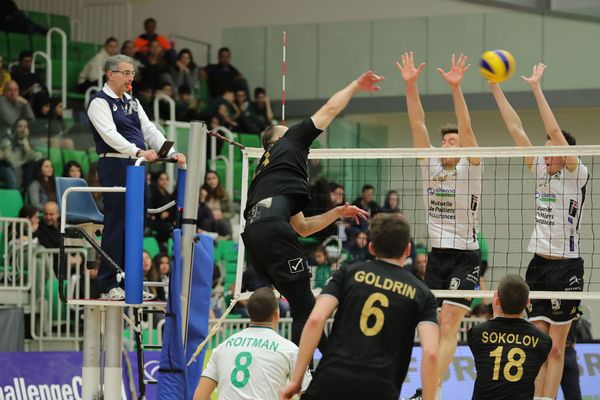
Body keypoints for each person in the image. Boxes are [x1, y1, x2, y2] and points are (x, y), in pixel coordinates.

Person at [241, 70, 382, 348]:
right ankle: (305, 374)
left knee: (301, 303)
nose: (294, 132)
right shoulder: (289, 142)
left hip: (255, 235)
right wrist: (355, 85)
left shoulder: (268, 171)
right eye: (287, 131)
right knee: (306, 307)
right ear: (277, 140)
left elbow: (303, 228)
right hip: (272, 231)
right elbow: (330, 109)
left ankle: (321, 365)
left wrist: (336, 213)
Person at [488, 63, 588, 400]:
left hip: (566, 267)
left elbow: (555, 132)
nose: (545, 154)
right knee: (536, 346)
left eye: (551, 150)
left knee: (557, 349)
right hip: (538, 266)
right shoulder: (540, 172)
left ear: (565, 153)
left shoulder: (577, 173)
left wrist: (536, 89)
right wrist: (495, 88)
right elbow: (515, 128)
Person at [281, 213, 439, 400]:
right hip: (380, 388)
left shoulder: (348, 272)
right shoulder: (423, 293)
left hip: (331, 380)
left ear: (371, 247)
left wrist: (296, 380)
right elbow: (430, 353)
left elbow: (315, 319)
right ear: (407, 249)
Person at [398, 51, 483, 398]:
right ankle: (432, 386)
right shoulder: (429, 163)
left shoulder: (472, 166)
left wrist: (456, 88)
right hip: (436, 255)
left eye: (454, 141)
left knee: (450, 322)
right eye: (445, 140)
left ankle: (429, 389)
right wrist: (410, 86)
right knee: (430, 326)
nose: (448, 144)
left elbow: (468, 129)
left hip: (466, 255)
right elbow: (417, 124)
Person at [87, 54, 185, 300]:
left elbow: (149, 129)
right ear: (111, 74)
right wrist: (137, 151)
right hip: (116, 165)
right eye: (126, 73)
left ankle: (129, 282)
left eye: (132, 73)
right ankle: (107, 283)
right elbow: (110, 135)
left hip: (138, 166)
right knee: (117, 223)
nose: (131, 78)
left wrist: (170, 152)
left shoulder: (132, 101)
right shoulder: (99, 102)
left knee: (136, 225)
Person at [195, 287, 312, 400]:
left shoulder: (222, 347)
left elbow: (199, 397)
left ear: (250, 313)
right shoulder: (289, 350)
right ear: (277, 315)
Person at [467, 275, 552, 400]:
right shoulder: (543, 341)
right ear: (528, 302)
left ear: (496, 300)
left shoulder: (476, 333)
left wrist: (496, 315)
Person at [200, 170, 233, 237]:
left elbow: (231, 212)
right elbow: (198, 212)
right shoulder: (201, 192)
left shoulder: (224, 193)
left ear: (218, 179)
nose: (212, 181)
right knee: (206, 222)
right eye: (209, 179)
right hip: (207, 221)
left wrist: (222, 215)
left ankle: (224, 240)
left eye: (214, 178)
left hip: (220, 221)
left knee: (221, 223)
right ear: (205, 181)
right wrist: (202, 198)